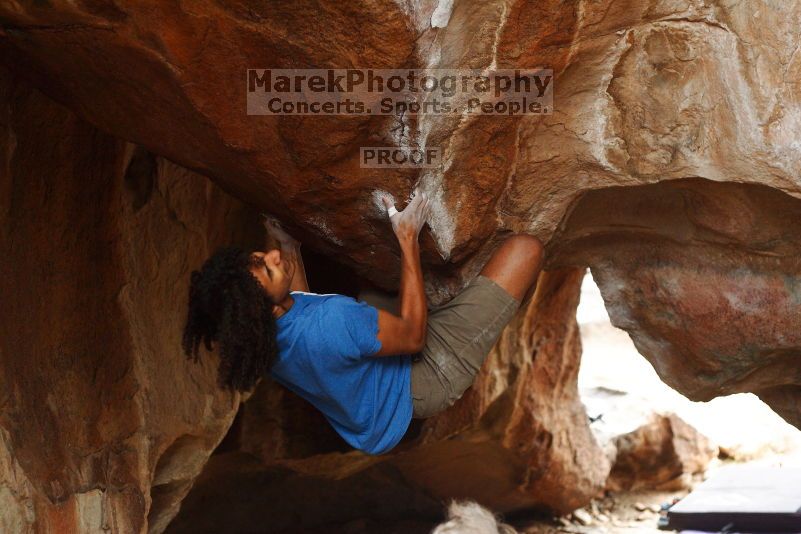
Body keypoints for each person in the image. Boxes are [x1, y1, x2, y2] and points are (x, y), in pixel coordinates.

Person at [182, 190, 544, 455]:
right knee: (526, 250)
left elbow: (305, 307)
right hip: (425, 378)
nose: (273, 256)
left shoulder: (261, 339)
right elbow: (413, 336)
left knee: (377, 293)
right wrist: (407, 238)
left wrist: (290, 247)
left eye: (261, 256)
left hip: (375, 403)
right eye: (269, 268)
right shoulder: (333, 322)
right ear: (258, 308)